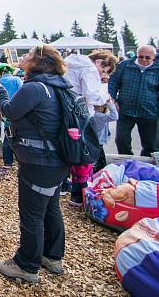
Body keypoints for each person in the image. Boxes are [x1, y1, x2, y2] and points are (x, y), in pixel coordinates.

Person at [0, 44, 70, 283]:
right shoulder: (59, 86)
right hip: (57, 160)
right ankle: (52, 256)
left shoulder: (35, 87)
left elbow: (10, 111)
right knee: (50, 207)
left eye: (27, 55)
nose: (22, 58)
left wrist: (0, 91)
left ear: (38, 62)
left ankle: (26, 265)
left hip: (39, 162)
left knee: (32, 214)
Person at [63, 50, 118, 206]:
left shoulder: (69, 63)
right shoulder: (88, 68)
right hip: (82, 114)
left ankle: (63, 184)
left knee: (68, 150)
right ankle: (79, 193)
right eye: (103, 71)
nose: (102, 76)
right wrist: (105, 96)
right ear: (100, 62)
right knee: (83, 154)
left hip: (67, 112)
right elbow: (92, 95)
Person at [108, 45, 159, 157]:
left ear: (154, 57)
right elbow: (113, 83)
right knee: (121, 140)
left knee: (151, 145)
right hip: (125, 110)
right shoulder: (124, 66)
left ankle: (147, 166)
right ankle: (127, 161)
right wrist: (113, 100)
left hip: (149, 112)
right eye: (140, 56)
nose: (143, 59)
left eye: (147, 57)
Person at [0, 63, 23, 166]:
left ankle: (8, 162)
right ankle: (21, 160)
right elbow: (22, 91)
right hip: (18, 112)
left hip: (5, 112)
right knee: (19, 136)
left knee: (8, 136)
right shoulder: (17, 80)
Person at [90, 100, 118, 173]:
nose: (105, 107)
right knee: (99, 165)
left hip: (95, 142)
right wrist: (110, 103)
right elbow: (114, 116)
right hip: (97, 143)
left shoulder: (95, 114)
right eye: (104, 105)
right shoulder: (99, 116)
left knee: (97, 163)